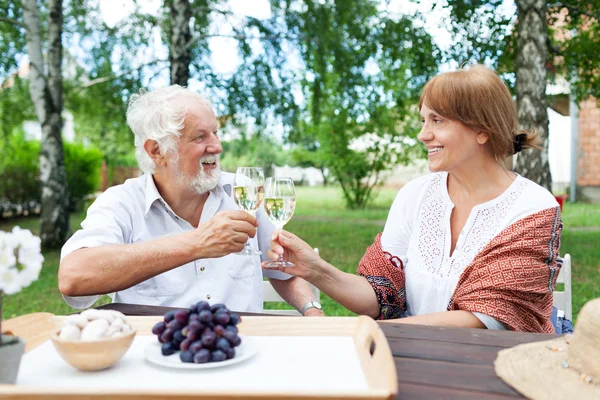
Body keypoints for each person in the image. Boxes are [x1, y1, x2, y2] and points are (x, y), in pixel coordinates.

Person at [264, 65, 562, 332]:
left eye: (437, 121)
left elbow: (485, 317)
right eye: (423, 120)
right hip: (414, 357)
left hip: (495, 369)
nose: (423, 134)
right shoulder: (415, 195)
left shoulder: (534, 208)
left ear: (482, 130)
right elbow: (380, 296)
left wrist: (374, 333)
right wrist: (316, 269)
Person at [58, 85, 323, 316]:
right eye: (200, 136)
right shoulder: (122, 203)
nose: (217, 146)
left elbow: (283, 272)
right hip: (153, 355)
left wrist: (311, 310)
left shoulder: (244, 193)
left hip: (241, 351)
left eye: (215, 133)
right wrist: (196, 244)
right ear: (157, 150)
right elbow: (73, 277)